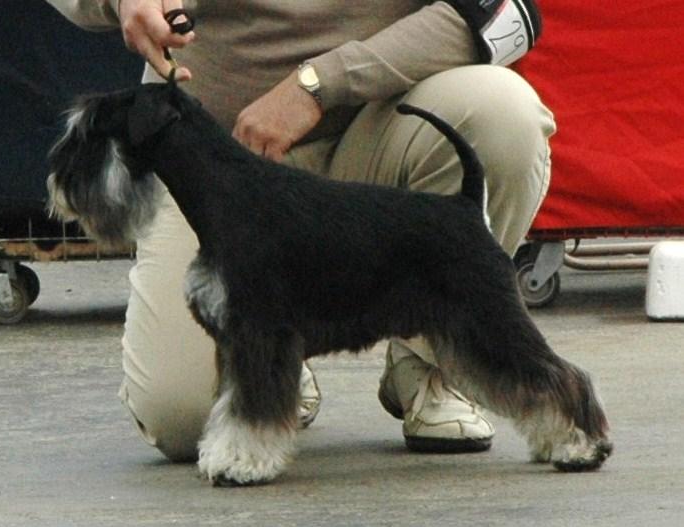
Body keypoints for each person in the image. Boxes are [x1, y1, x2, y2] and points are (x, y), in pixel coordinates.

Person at [47, 0, 555, 462]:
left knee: (504, 115)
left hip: (382, 124)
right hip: (217, 159)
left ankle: (433, 361)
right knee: (179, 417)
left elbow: (509, 11)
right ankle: (278, 360)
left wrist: (321, 83)